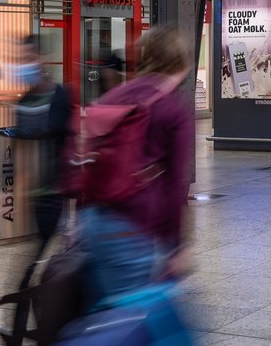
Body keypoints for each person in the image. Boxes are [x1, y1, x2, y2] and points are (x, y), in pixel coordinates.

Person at [61, 25, 194, 343]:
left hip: (93, 222)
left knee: (102, 313)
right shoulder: (172, 108)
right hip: (132, 228)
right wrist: (176, 246)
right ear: (182, 63)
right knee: (129, 325)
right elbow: (176, 186)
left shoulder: (115, 95)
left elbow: (84, 160)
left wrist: (77, 223)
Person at [13, 35, 71, 260]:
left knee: (43, 253)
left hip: (55, 190)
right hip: (31, 193)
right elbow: (21, 146)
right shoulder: (24, 101)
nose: (24, 64)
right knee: (39, 253)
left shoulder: (59, 95)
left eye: (29, 58)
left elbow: (66, 138)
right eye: (21, 59)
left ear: (41, 59)